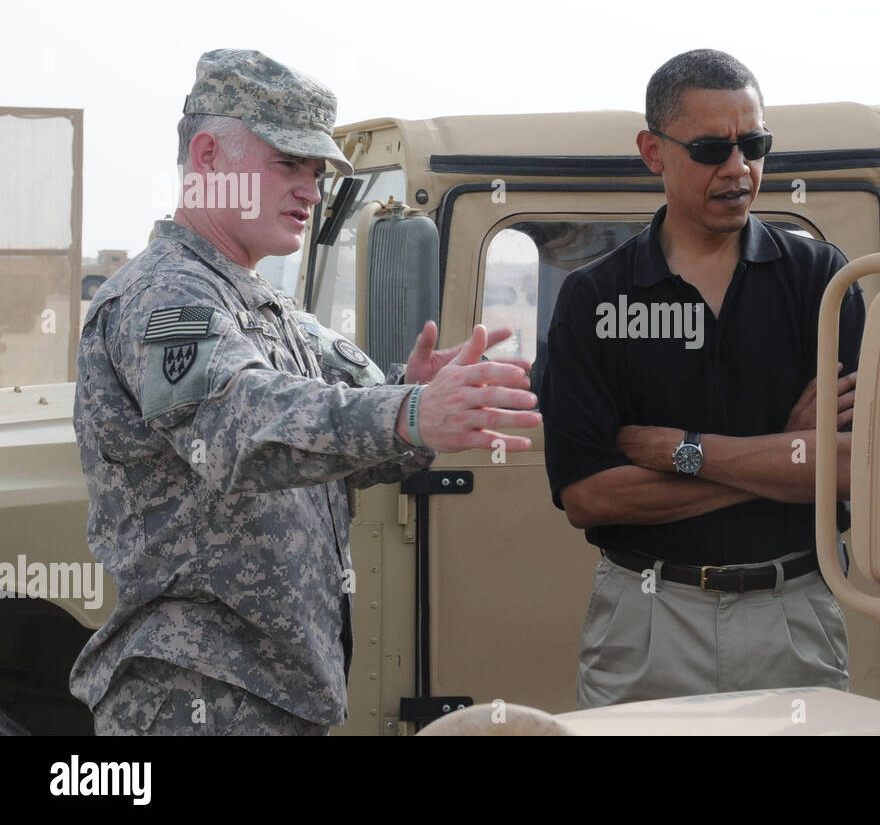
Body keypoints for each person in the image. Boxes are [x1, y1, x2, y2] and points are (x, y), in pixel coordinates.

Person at [70, 49, 541, 735]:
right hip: (195, 699)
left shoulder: (264, 306)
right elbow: (237, 429)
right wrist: (408, 412)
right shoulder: (167, 295)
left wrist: (416, 402)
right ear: (207, 157)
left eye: (318, 172)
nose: (312, 191)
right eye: (288, 163)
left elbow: (340, 446)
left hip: (271, 694)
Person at [540, 49, 865, 708]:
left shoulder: (822, 282)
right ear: (652, 150)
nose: (739, 169)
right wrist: (783, 452)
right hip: (649, 619)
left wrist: (680, 451)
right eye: (713, 148)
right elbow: (590, 499)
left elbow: (857, 466)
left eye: (755, 143)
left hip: (792, 614)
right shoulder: (595, 299)